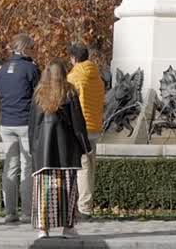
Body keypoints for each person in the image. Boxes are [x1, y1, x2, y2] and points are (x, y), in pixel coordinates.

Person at [28, 60, 90, 240]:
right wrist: (85, 146)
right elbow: (78, 123)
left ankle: (43, 229)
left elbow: (32, 126)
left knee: (43, 191)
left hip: (43, 153)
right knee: (68, 190)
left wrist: (33, 150)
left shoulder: (39, 93)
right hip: (67, 151)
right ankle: (68, 228)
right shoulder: (69, 92)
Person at [0, 33, 39, 224]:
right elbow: (38, 94)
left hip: (6, 123)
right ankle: (27, 212)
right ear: (26, 48)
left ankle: (9, 212)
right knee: (27, 166)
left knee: (10, 167)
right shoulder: (30, 69)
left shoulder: (1, 69)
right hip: (24, 122)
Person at [65, 43, 105, 221]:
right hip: (95, 126)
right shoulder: (97, 76)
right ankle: (85, 205)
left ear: (73, 59)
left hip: (80, 127)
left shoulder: (74, 77)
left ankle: (83, 208)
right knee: (90, 167)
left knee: (81, 168)